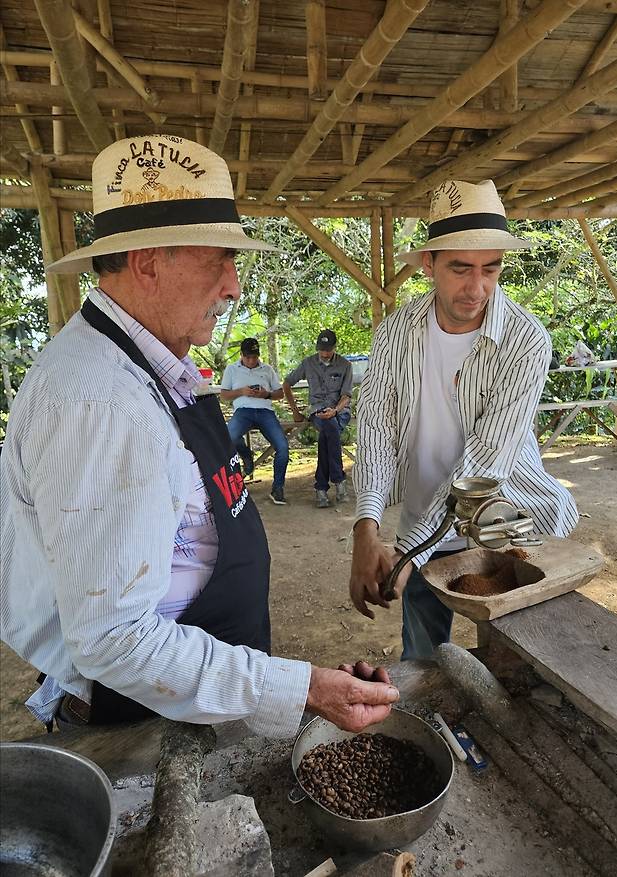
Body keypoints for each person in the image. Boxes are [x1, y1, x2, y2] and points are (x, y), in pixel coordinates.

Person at [0, 135, 399, 735]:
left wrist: (282, 681)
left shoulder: (151, 364)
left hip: (197, 691)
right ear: (147, 262)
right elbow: (115, 638)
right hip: (142, 720)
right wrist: (303, 688)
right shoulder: (100, 405)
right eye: (220, 260)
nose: (233, 286)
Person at [349, 179, 579, 659]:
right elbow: (375, 426)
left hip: (506, 524)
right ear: (428, 264)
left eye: (490, 268)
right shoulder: (396, 332)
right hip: (422, 520)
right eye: (460, 268)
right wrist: (366, 525)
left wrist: (409, 552)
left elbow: (484, 464)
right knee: (424, 659)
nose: (477, 288)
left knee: (521, 659)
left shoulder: (525, 340)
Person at [283, 330, 353, 508]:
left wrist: (335, 411)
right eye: (322, 350)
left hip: (339, 411)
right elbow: (287, 383)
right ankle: (338, 480)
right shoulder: (308, 363)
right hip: (317, 410)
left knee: (328, 432)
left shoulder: (345, 365)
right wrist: (295, 411)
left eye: (328, 350)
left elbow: (346, 396)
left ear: (335, 348)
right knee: (330, 428)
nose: (325, 353)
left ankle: (321, 487)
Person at [220, 337, 289, 505]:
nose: (251, 361)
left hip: (265, 411)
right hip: (243, 411)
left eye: (254, 357)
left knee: (283, 447)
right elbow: (224, 395)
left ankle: (278, 487)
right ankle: (246, 456)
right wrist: (241, 392)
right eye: (248, 357)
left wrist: (266, 394)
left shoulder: (267, 369)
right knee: (228, 437)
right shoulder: (232, 369)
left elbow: (280, 394)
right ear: (241, 355)